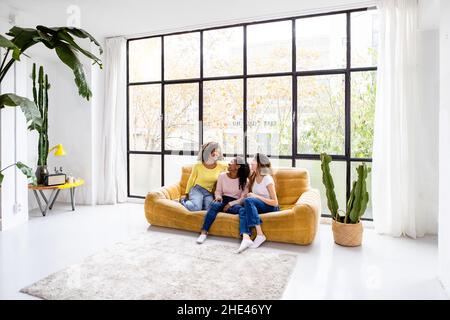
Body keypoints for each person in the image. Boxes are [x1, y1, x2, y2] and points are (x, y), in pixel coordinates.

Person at [196, 157, 250, 244]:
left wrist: (231, 204)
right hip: (223, 199)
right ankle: (203, 232)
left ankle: (245, 236)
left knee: (242, 210)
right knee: (214, 205)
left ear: (238, 166)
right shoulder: (222, 176)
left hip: (234, 202)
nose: (229, 163)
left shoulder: (245, 180)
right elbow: (218, 191)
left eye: (232, 162)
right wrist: (218, 197)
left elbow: (243, 198)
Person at [237, 153, 279, 253]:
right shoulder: (253, 177)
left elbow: (275, 202)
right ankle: (246, 237)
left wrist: (256, 197)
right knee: (242, 210)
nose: (251, 162)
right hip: (258, 206)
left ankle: (260, 235)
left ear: (260, 164)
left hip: (270, 207)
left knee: (249, 201)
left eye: (253, 161)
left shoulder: (267, 179)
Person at [180, 141, 227, 211]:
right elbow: (191, 180)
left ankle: (198, 202)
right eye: (214, 151)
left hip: (208, 192)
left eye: (218, 151)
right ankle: (183, 201)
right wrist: (186, 194)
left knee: (208, 209)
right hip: (196, 189)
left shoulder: (222, 166)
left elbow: (234, 167)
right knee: (196, 208)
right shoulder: (198, 165)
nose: (217, 154)